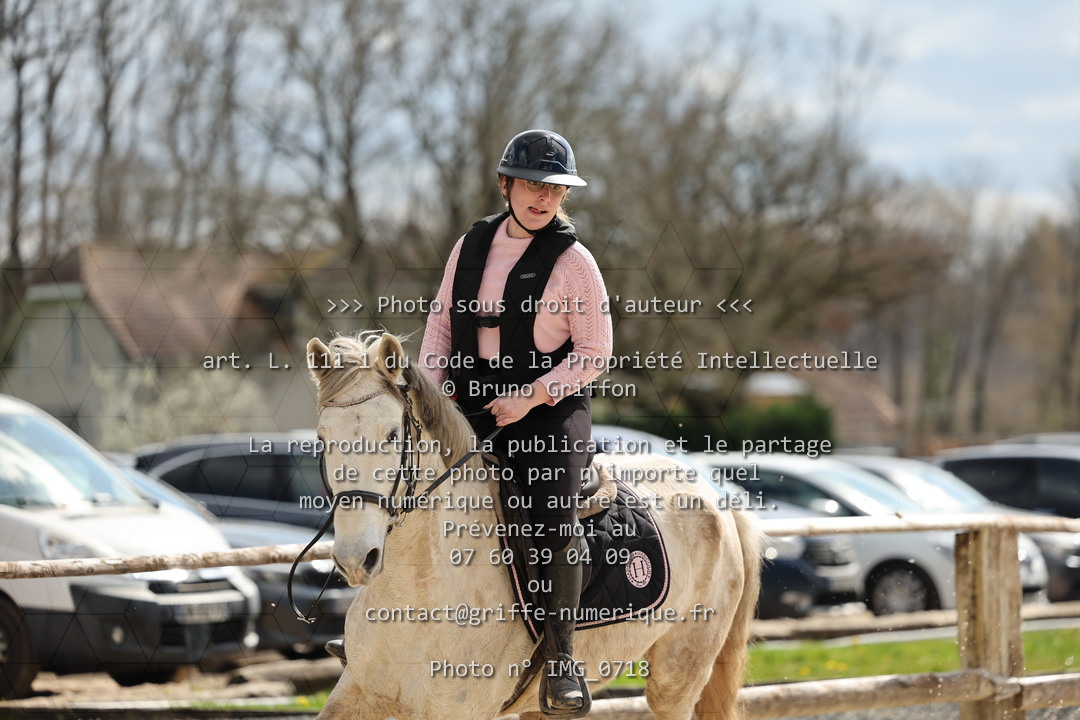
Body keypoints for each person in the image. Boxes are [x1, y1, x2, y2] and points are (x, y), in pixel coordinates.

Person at [419, 129, 613, 717]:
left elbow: (596, 352)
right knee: (401, 490)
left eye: (555, 189)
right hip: (469, 401)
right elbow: (440, 328)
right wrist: (429, 397)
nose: (543, 197)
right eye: (532, 185)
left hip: (550, 409)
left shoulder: (575, 262)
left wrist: (531, 397)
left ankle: (561, 661)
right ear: (505, 185)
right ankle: (380, 633)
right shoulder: (469, 245)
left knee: (552, 516)